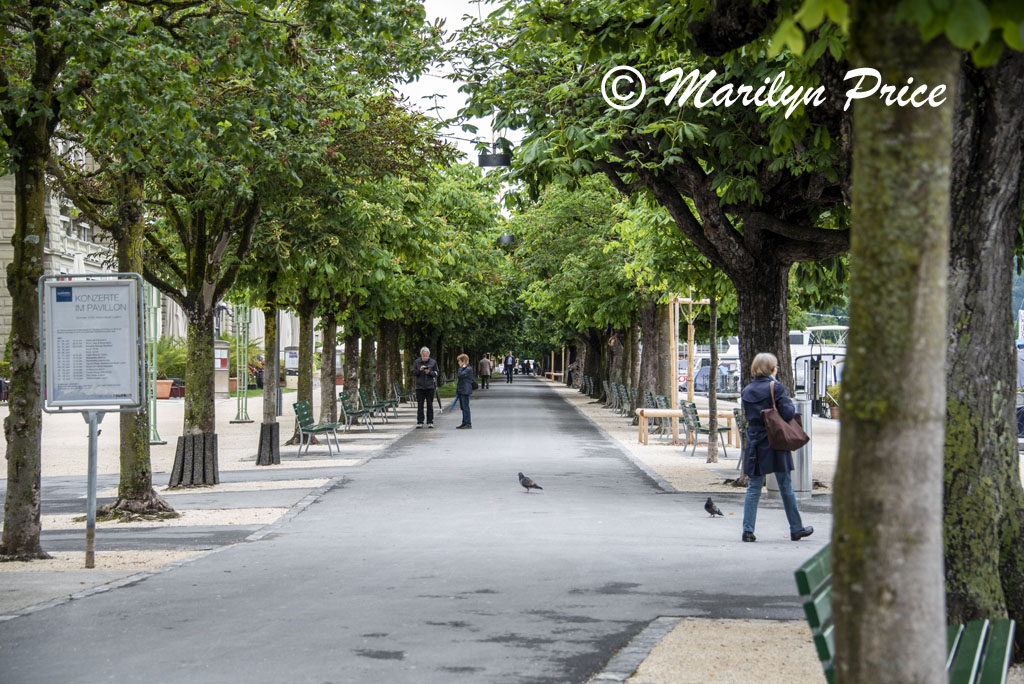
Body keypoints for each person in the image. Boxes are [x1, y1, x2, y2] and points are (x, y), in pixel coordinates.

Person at [739, 352, 814, 543]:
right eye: (776, 366)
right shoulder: (776, 387)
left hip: (755, 442)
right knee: (785, 485)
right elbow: (788, 413)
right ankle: (796, 528)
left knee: (754, 487)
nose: (777, 369)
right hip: (775, 441)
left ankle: (748, 530)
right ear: (771, 368)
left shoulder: (747, 390)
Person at [411, 346, 439, 428]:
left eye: (426, 356)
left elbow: (437, 373)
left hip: (430, 386)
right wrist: (419, 370)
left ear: (429, 355)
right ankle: (420, 421)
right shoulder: (417, 362)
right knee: (420, 405)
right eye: (423, 356)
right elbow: (413, 372)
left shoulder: (433, 362)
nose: (425, 357)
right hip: (419, 387)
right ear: (421, 355)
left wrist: (429, 372)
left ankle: (430, 421)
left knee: (430, 405)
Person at [455, 353, 475, 429]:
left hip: (465, 390)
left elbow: (460, 375)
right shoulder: (464, 368)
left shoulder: (468, 369)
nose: (458, 363)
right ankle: (464, 422)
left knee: (465, 407)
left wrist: (461, 368)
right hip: (461, 389)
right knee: (463, 407)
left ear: (463, 361)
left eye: (459, 361)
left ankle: (468, 423)